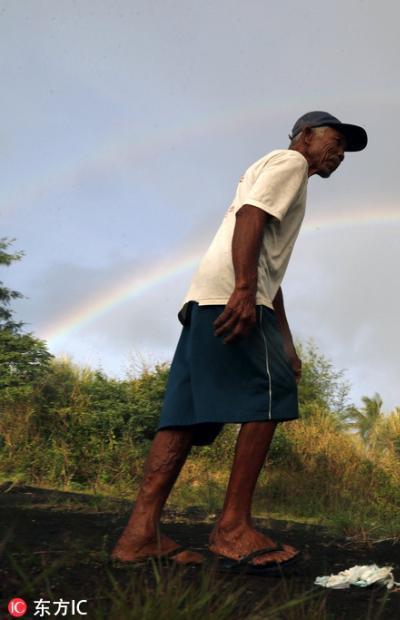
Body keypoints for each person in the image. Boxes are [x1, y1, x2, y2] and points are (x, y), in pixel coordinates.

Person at [110, 111, 367, 572]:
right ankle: (232, 529)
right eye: (336, 140)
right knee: (273, 392)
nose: (341, 152)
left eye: (346, 148)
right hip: (232, 294)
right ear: (306, 136)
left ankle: (138, 536)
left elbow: (267, 266)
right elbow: (251, 217)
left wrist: (285, 341)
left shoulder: (268, 169)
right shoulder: (290, 163)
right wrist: (245, 291)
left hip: (204, 299)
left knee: (185, 415)